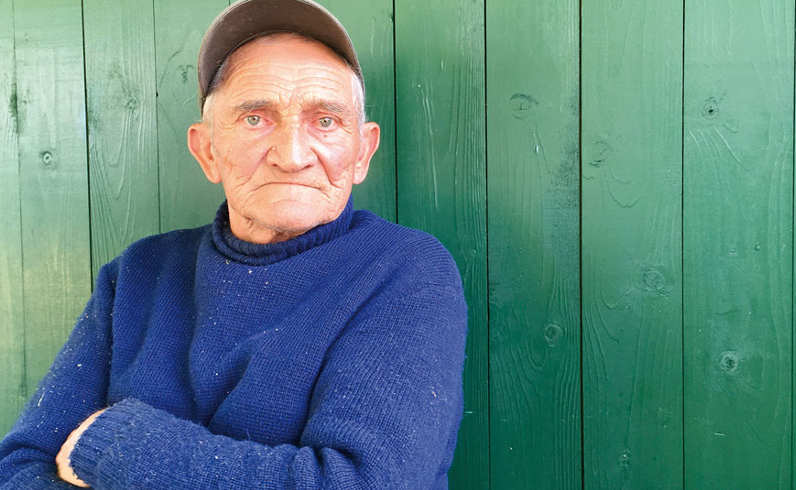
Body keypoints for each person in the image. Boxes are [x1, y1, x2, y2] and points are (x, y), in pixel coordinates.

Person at [0, 0, 467, 488]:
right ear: (207, 151)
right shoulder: (140, 273)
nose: (291, 156)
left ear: (361, 153)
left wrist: (118, 443)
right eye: (255, 119)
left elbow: (360, 482)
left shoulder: (404, 270)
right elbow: (21, 465)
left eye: (325, 121)